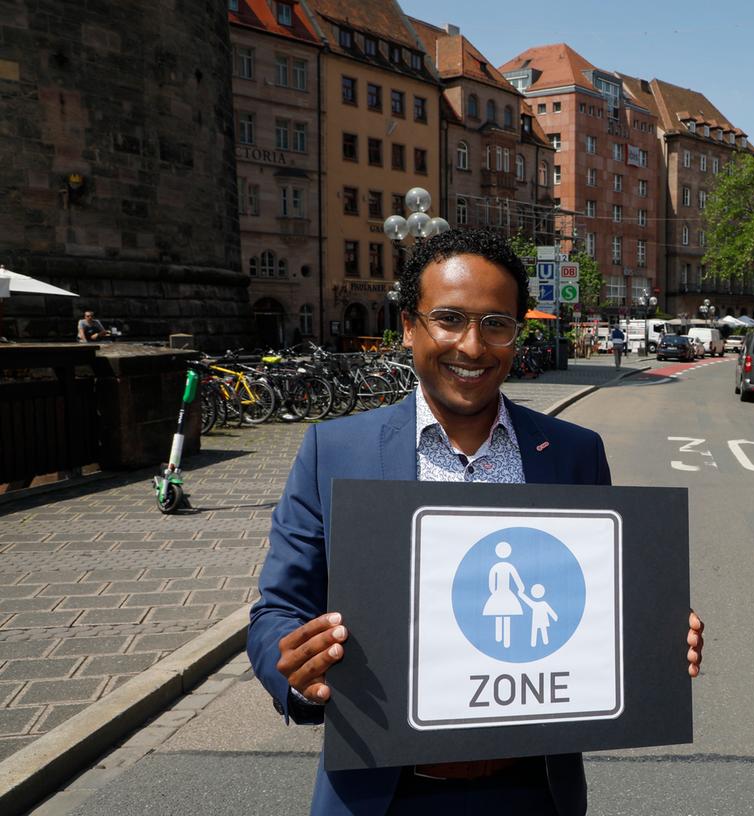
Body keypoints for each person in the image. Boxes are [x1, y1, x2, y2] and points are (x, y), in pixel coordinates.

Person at [247, 228, 704, 815]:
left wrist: (656, 633)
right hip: (381, 790)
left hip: (533, 791)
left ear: (518, 332)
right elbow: (277, 609)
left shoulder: (573, 453)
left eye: (496, 324)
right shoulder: (334, 451)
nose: (472, 346)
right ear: (409, 326)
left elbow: (602, 599)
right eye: (448, 319)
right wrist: (294, 672)